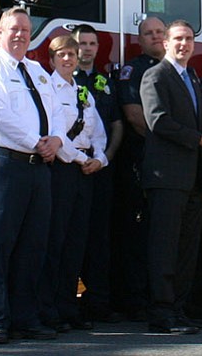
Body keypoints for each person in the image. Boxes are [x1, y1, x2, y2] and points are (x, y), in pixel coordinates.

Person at [0, 7, 67, 345]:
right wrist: (38, 143)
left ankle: (27, 317)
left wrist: (55, 140)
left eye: (25, 30)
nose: (20, 35)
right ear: (0, 32)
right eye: (13, 29)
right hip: (5, 165)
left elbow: (57, 112)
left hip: (38, 169)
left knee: (33, 246)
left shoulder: (38, 70)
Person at [140, 19, 202, 334]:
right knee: (164, 248)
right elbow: (158, 121)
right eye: (177, 39)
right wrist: (199, 139)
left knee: (186, 250)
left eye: (188, 39)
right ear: (166, 43)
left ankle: (177, 309)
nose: (183, 44)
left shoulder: (191, 77)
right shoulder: (155, 76)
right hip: (166, 178)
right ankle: (161, 313)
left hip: (191, 182)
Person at [39, 35, 107, 332]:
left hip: (86, 173)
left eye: (72, 54)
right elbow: (55, 134)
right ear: (52, 59)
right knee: (55, 241)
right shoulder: (47, 91)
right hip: (62, 171)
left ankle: (68, 306)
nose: (68, 59)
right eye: (62, 55)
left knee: (76, 243)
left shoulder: (84, 92)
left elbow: (98, 132)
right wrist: (81, 159)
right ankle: (48, 308)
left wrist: (100, 159)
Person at [72, 23, 123, 324]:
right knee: (73, 236)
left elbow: (116, 124)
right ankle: (66, 302)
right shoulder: (64, 80)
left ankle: (99, 302)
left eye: (92, 43)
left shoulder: (106, 81)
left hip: (102, 168)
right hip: (73, 169)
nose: (87, 48)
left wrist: (107, 158)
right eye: (82, 43)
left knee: (100, 238)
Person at [116, 15, 166, 320]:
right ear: (140, 39)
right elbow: (134, 116)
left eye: (160, 31)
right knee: (137, 233)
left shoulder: (176, 69)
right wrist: (170, 143)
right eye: (149, 33)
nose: (155, 37)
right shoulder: (133, 69)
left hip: (170, 165)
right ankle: (136, 300)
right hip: (142, 159)